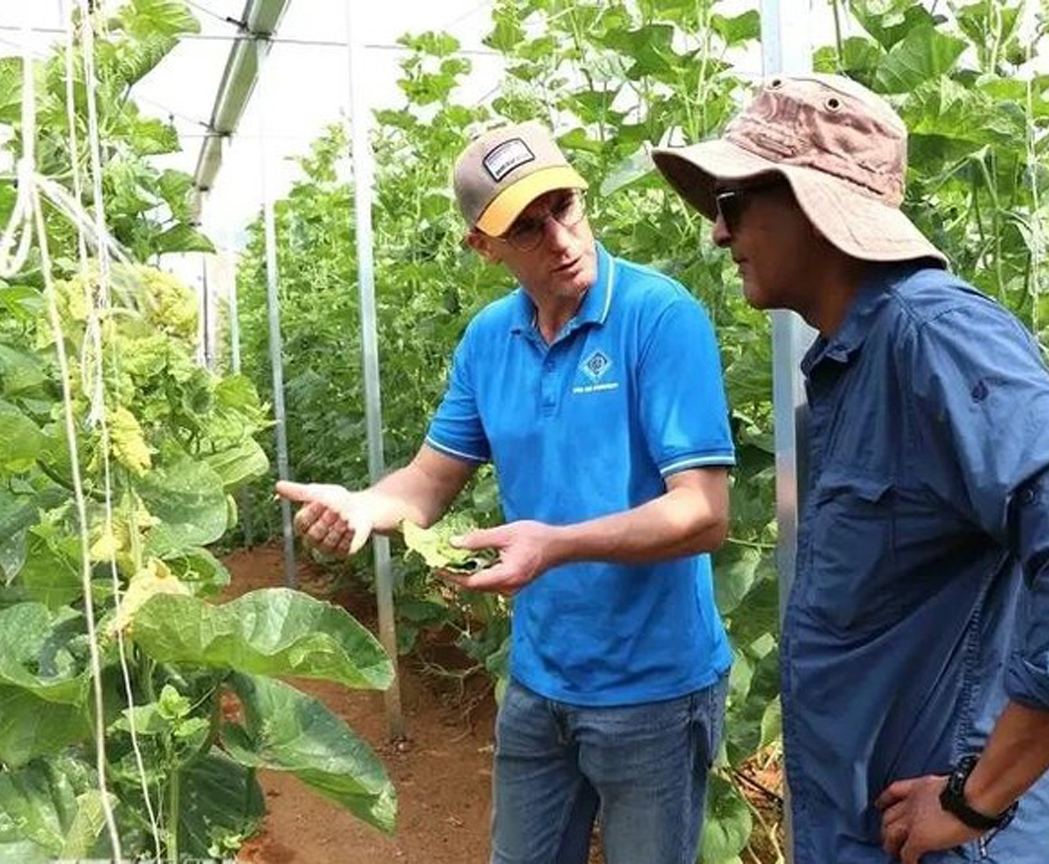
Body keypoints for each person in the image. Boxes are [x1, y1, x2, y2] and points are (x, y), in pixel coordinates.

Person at [652, 74, 1049, 864]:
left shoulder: (934, 337)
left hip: (940, 840)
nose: (719, 235)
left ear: (814, 201)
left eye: (732, 204)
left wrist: (977, 796)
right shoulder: (857, 357)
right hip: (877, 825)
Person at [277, 120, 736, 864]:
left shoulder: (660, 316)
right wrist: (365, 506)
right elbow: (427, 482)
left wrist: (555, 546)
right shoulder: (490, 339)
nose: (559, 237)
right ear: (483, 248)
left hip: (653, 690)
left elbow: (703, 514)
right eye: (526, 228)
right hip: (539, 679)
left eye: (564, 208)